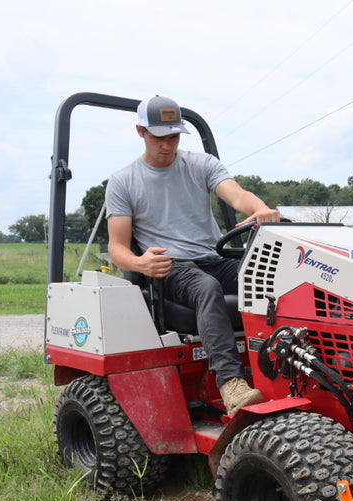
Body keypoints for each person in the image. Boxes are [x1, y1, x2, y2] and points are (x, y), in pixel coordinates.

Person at [106, 95, 280, 414]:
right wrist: (140, 263)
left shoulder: (201, 165)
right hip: (171, 266)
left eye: (173, 137)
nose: (167, 145)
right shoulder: (123, 181)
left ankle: (284, 369)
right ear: (140, 132)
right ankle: (231, 384)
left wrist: (260, 209)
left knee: (272, 278)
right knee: (206, 289)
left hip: (213, 258)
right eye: (160, 137)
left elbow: (237, 195)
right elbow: (116, 246)